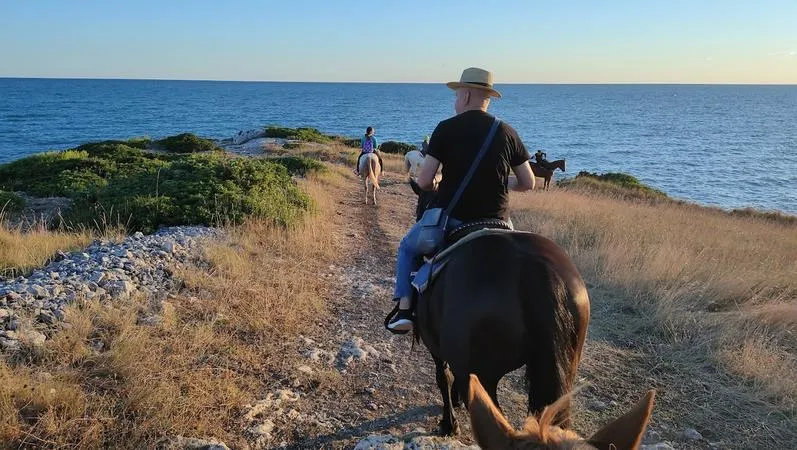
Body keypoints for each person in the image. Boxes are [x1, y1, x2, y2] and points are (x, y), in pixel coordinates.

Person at [386, 67, 536, 333]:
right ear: (486, 97)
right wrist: (501, 181)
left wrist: (434, 183)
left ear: (466, 95)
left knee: (407, 247)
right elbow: (528, 183)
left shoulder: (446, 129)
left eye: (456, 96)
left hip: (454, 221)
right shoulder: (507, 132)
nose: (455, 101)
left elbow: (423, 182)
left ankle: (405, 309)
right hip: (499, 222)